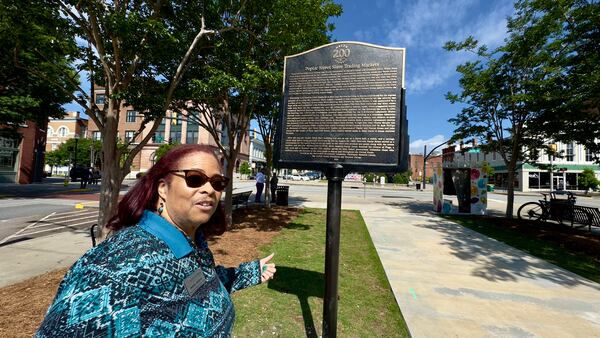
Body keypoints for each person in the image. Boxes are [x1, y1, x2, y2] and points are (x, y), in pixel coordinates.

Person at [36, 144, 276, 337]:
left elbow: (202, 282)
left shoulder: (194, 243)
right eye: (195, 178)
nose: (209, 189)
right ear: (163, 188)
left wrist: (252, 271)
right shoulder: (115, 264)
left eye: (217, 183)